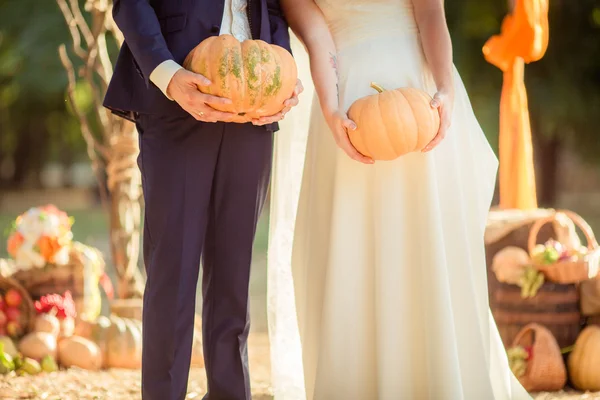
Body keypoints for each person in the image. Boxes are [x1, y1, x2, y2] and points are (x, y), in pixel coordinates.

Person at [267, 0, 533, 398]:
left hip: (419, 90)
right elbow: (317, 37)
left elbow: (430, 15)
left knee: (426, 242)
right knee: (355, 248)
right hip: (349, 102)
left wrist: (443, 89)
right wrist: (331, 108)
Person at [103, 1, 301, 399]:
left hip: (255, 106)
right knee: (172, 271)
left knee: (234, 275)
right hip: (177, 91)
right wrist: (169, 75)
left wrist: (284, 72)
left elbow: (275, 10)